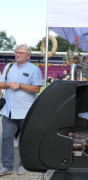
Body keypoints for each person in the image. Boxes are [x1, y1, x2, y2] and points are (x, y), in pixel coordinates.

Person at [0, 44, 43, 176]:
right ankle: (7, 166)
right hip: (9, 111)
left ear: (28, 56)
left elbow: (36, 89)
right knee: (6, 137)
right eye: (16, 52)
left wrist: (20, 85)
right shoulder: (8, 67)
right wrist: (9, 85)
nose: (17, 54)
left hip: (25, 111)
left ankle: (24, 165)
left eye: (21, 53)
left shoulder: (34, 70)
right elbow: (1, 84)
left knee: (25, 139)